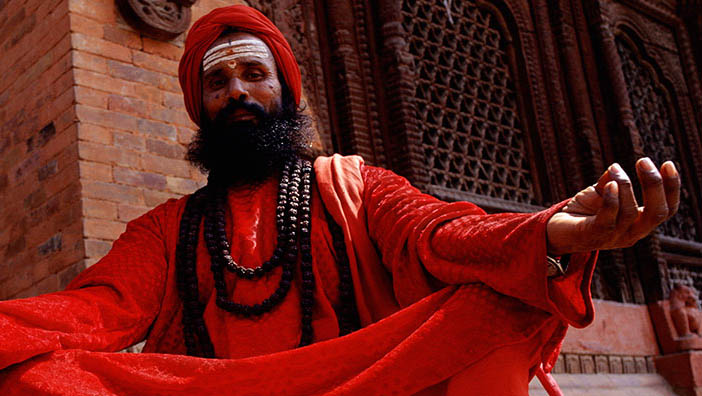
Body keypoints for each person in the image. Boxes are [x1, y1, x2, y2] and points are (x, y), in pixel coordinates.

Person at [0, 5, 680, 395]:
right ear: (199, 108)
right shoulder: (166, 228)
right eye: (218, 83)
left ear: (286, 93)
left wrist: (551, 236)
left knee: (496, 303)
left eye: (253, 75)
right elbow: (95, 309)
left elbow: (435, 233)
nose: (237, 93)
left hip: (359, 386)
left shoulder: (353, 187)